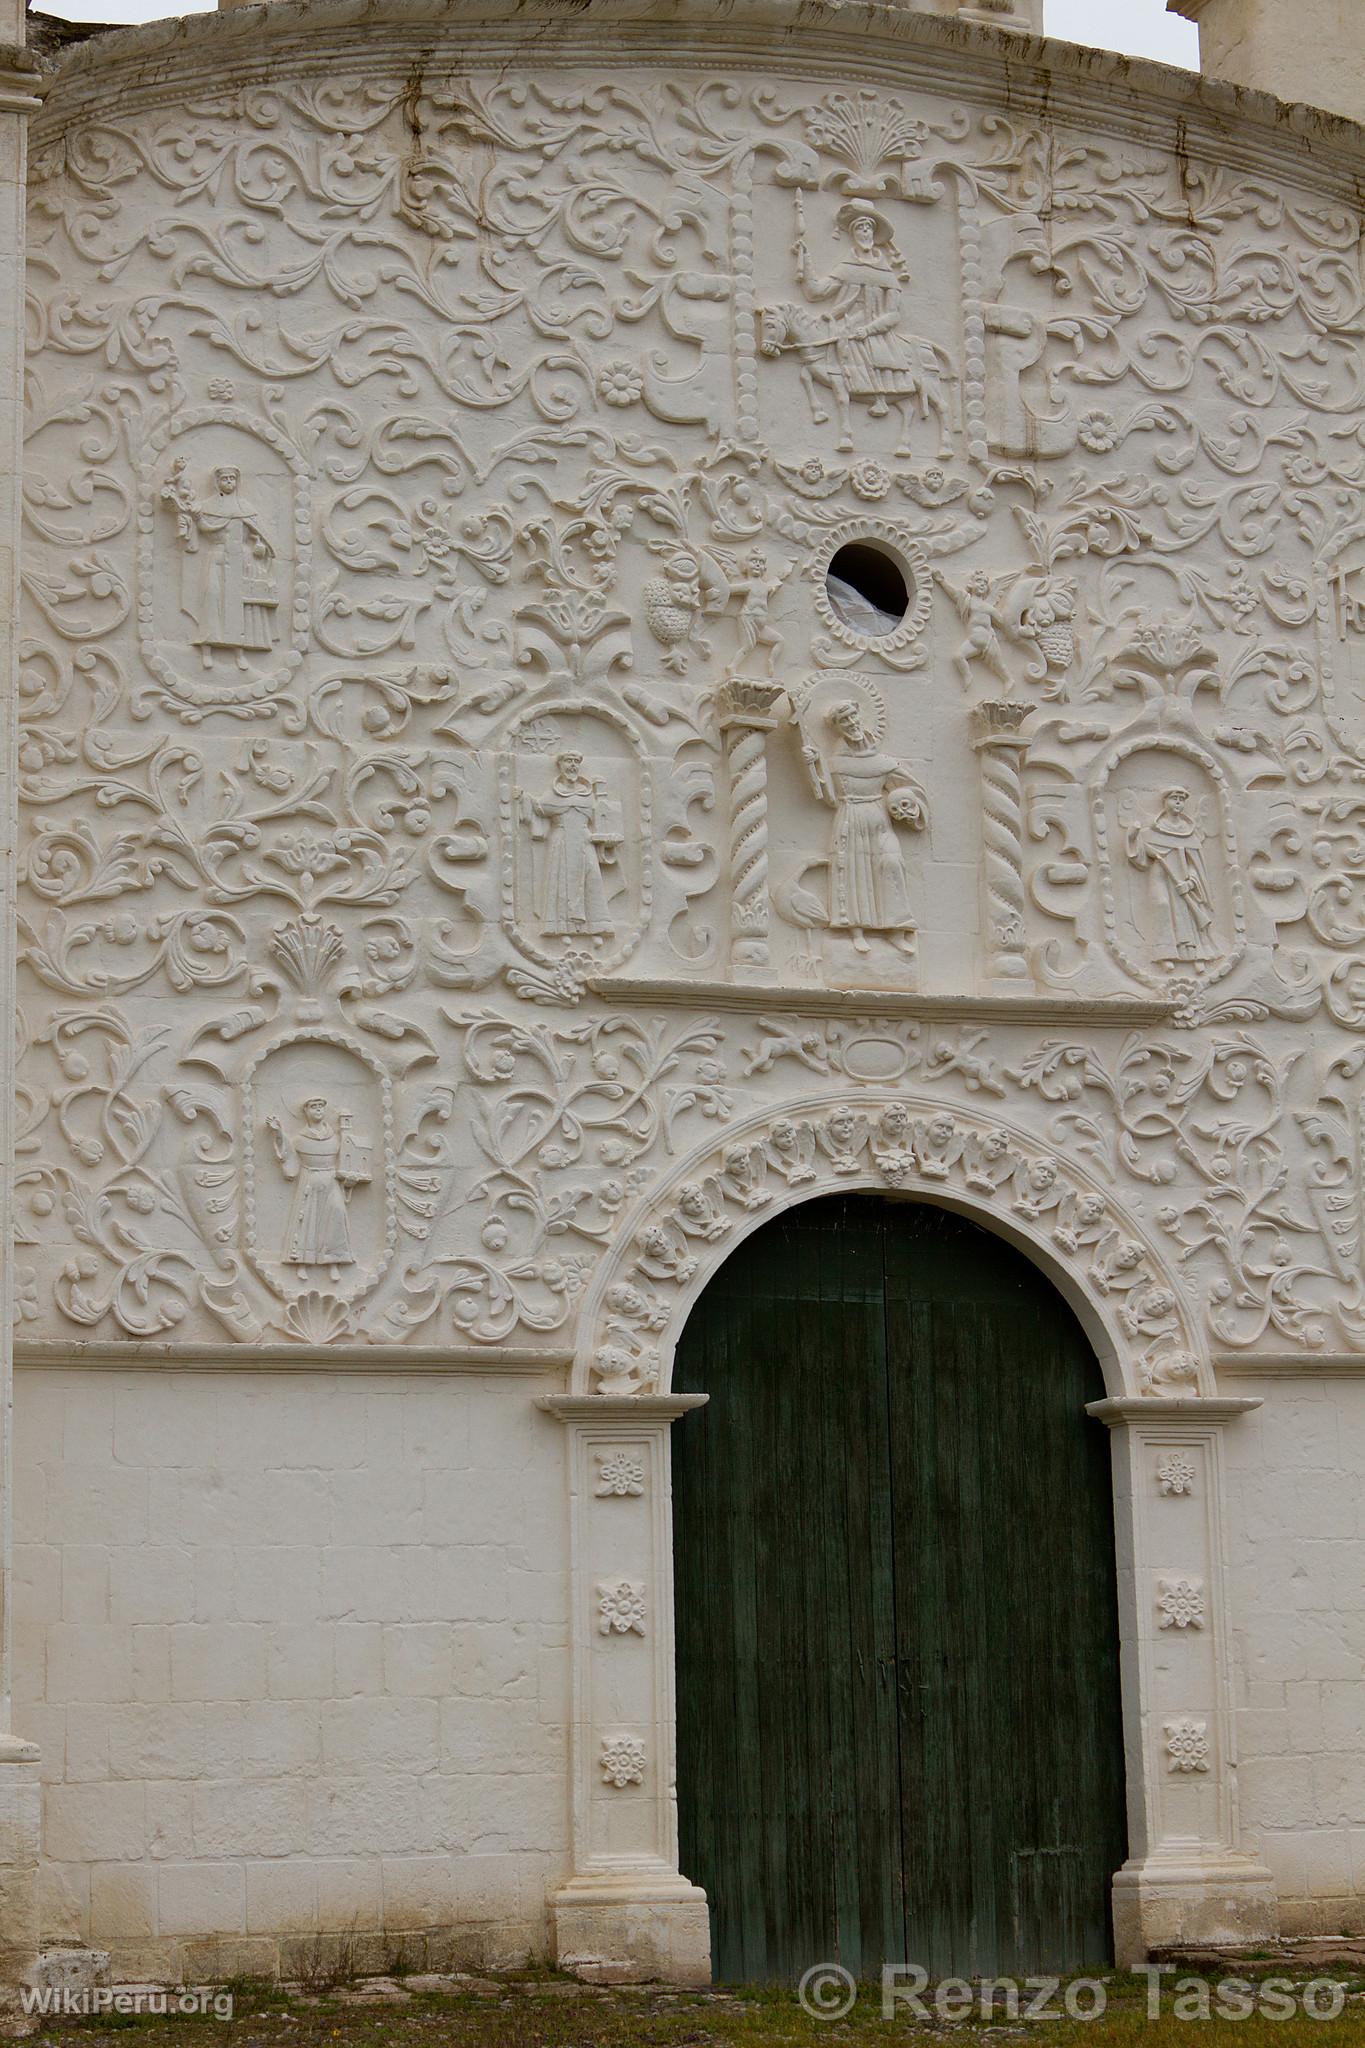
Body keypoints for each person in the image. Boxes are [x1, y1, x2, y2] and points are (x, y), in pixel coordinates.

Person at [526, 750, 622, 938]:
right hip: (561, 841)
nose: (572, 765)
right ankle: (560, 927)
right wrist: (521, 797)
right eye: (568, 761)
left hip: (585, 842)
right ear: (560, 765)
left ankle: (596, 925)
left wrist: (606, 838)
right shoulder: (553, 793)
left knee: (591, 879)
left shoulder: (588, 795)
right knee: (560, 882)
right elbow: (538, 808)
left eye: (576, 761)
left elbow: (602, 820)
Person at [1124, 785, 1218, 963]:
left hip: (1183, 881)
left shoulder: (1189, 833)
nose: (1178, 802)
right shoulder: (1151, 832)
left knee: (1186, 913)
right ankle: (1164, 954)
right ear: (1164, 801)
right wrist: (1131, 838)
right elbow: (1139, 859)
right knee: (1162, 906)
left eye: (1182, 799)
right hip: (1159, 877)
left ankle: (1193, 955)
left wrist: (1191, 882)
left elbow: (1196, 865)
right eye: (1174, 798)